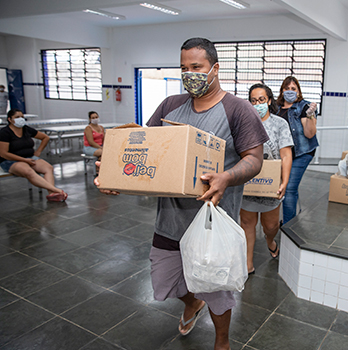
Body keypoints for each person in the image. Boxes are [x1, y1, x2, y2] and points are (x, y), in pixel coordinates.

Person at [95, 38, 268, 350]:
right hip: (170, 220)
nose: (190, 74)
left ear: (215, 69)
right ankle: (191, 303)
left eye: (197, 67)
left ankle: (222, 342)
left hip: (212, 222)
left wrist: (227, 177)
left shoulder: (238, 110)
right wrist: (114, 171)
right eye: (184, 68)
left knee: (215, 290)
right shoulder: (169, 106)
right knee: (166, 283)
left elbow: (255, 159)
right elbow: (145, 148)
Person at [240, 83, 293, 274]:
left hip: (271, 186)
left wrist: (284, 181)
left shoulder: (280, 124)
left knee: (270, 226)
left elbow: (286, 154)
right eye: (253, 101)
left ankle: (270, 240)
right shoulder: (243, 124)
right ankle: (248, 263)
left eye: (262, 100)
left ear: (269, 100)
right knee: (247, 224)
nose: (258, 104)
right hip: (248, 184)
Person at [275, 76, 318, 225]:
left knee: (289, 188)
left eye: (293, 89)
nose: (290, 92)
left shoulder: (304, 107)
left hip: (302, 153)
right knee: (288, 186)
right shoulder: (276, 108)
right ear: (282, 91)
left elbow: (310, 134)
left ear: (299, 91)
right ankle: (293, 215)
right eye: (287, 89)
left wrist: (310, 116)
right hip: (283, 154)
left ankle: (288, 226)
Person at [0, 109, 67, 201]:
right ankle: (56, 190)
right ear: (10, 119)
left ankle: (52, 194)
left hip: (29, 158)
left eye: (22, 117)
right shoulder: (4, 133)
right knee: (28, 171)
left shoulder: (26, 129)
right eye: (17, 117)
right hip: (11, 161)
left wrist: (38, 152)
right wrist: (24, 160)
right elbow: (4, 153)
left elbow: (45, 137)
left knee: (48, 168)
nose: (20, 119)